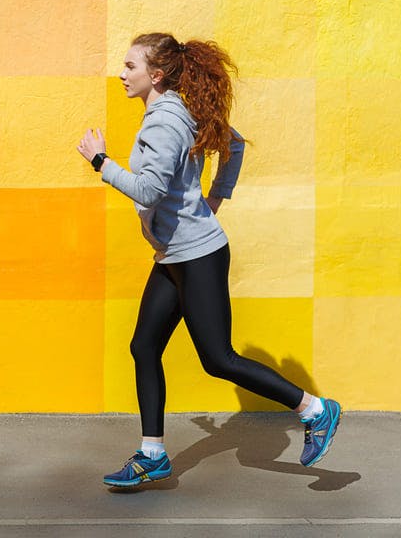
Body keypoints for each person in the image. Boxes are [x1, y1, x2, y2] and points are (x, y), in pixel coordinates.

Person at [77, 32, 341, 488]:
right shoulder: (181, 110)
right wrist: (214, 196)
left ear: (155, 75)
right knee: (144, 347)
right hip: (173, 254)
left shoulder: (163, 122)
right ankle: (152, 454)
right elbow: (232, 144)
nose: (122, 74)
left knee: (218, 358)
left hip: (196, 255)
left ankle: (314, 409)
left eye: (130, 67)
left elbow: (149, 190)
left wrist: (101, 162)